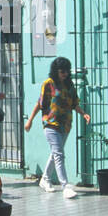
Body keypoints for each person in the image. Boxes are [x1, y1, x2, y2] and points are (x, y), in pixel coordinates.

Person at [25, 56, 90, 198]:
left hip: (66, 124)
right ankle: (65, 186)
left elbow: (74, 104)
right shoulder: (49, 84)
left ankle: (45, 179)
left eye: (67, 71)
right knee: (59, 154)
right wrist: (30, 120)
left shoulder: (70, 85)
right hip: (50, 123)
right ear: (56, 71)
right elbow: (40, 103)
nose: (65, 74)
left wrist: (83, 114)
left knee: (56, 153)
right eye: (62, 71)